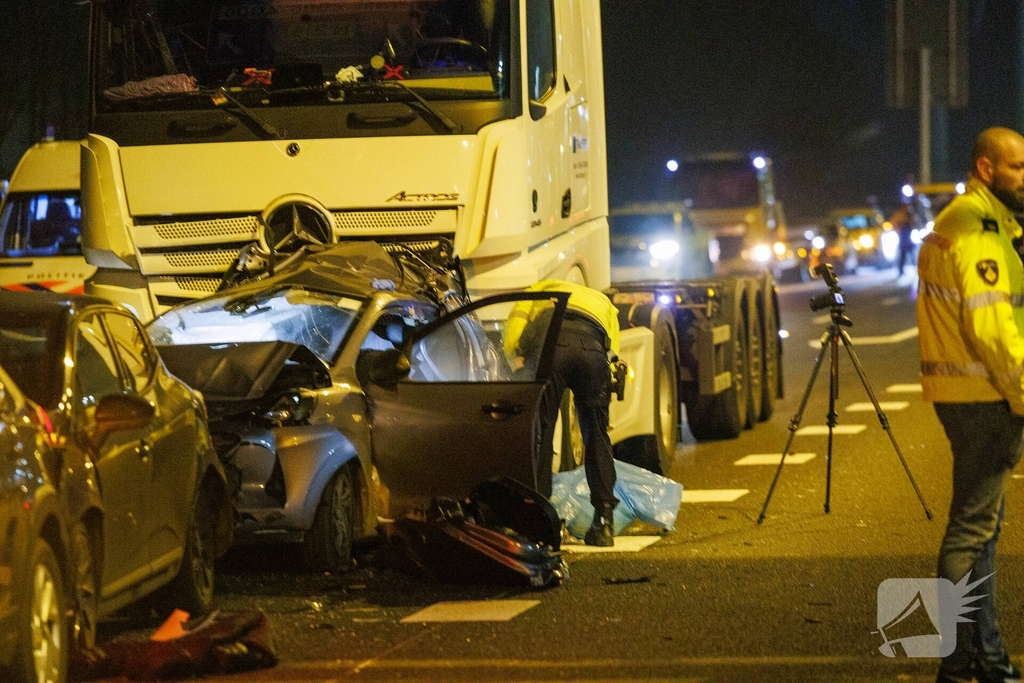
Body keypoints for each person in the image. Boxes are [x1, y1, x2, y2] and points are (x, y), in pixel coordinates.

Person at [917, 126, 1024, 683]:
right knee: (970, 533)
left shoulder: (966, 220)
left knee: (981, 533)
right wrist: (1022, 393)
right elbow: (993, 328)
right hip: (986, 396)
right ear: (987, 169)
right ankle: (959, 664)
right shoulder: (979, 229)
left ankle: (987, 660)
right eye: (1017, 168)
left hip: (965, 394)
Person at [503, 279, 621, 547]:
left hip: (551, 344)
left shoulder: (537, 288)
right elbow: (613, 351)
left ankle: (540, 520)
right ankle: (603, 523)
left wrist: (515, 360)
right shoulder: (603, 302)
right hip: (593, 350)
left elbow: (515, 328)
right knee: (596, 435)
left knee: (541, 432)